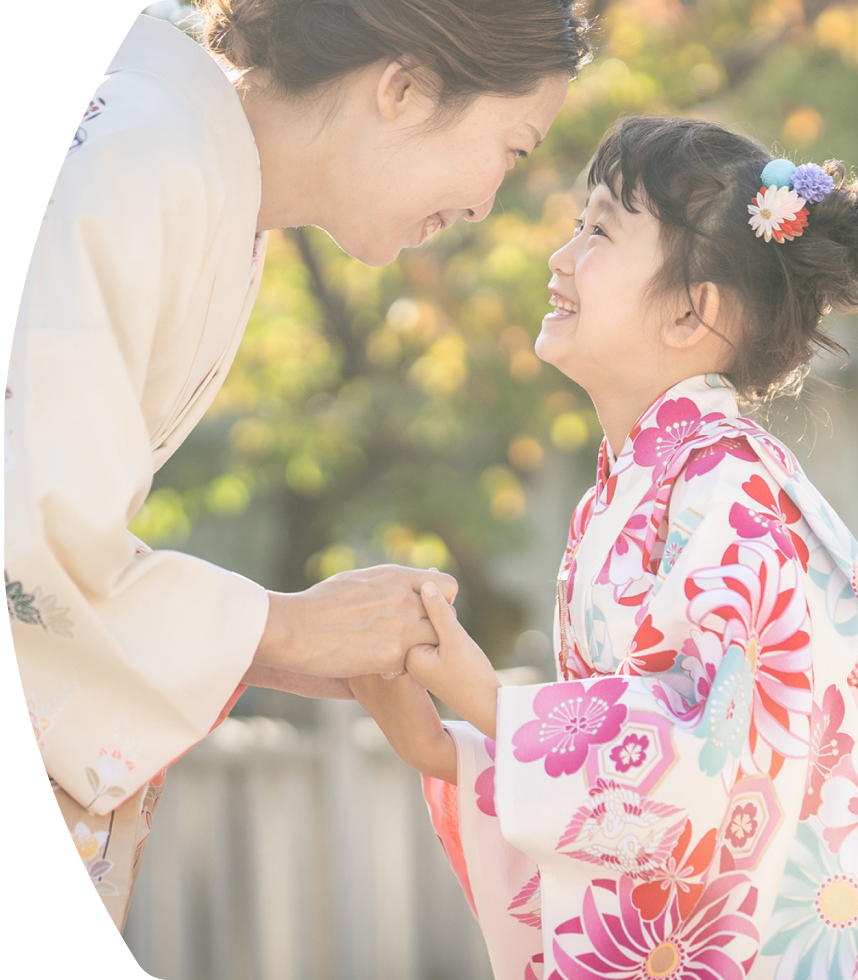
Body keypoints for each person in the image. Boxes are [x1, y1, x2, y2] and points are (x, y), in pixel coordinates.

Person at [351, 117, 858, 979]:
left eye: (600, 230)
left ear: (696, 312)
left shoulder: (729, 491)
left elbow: (713, 756)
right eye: (578, 225)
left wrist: (493, 706)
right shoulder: (635, 492)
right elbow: (648, 766)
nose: (560, 256)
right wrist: (451, 745)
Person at [6, 0, 589, 931]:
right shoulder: (142, 153)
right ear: (403, 86)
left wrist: (278, 646)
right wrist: (277, 628)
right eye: (511, 149)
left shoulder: (198, 171)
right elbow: (25, 540)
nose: (488, 203)